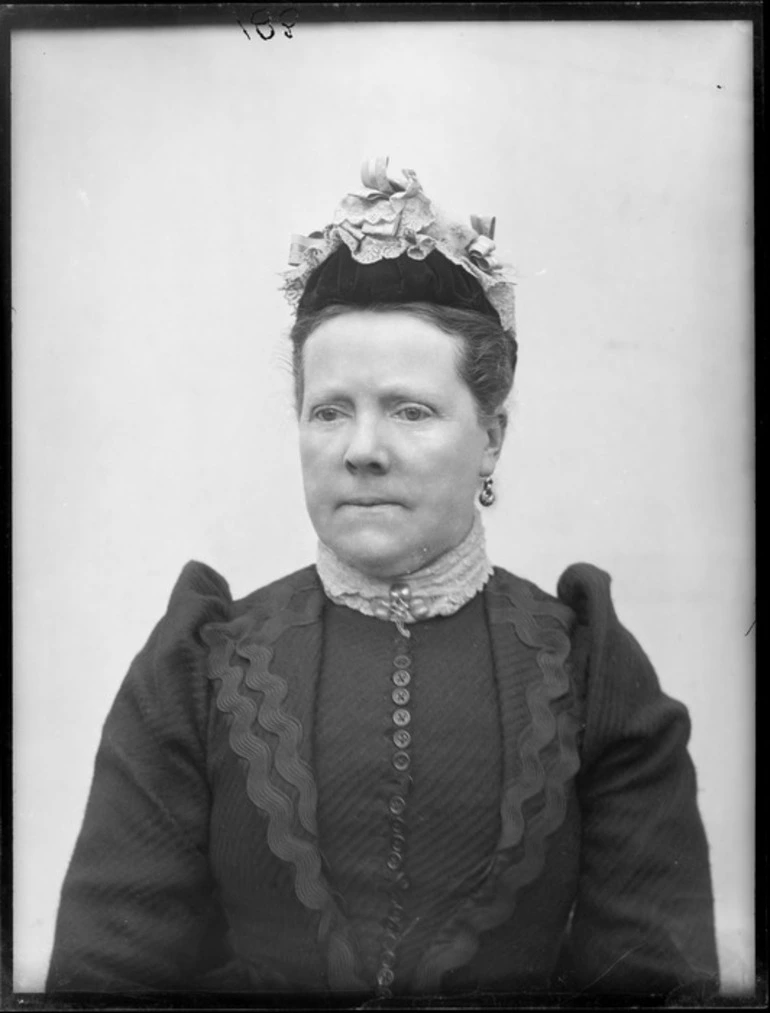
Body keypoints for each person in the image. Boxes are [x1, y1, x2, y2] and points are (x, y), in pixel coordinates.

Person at [46, 157, 719, 1002]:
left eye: (410, 409)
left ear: (493, 437)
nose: (361, 447)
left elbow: (661, 985)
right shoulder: (198, 668)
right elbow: (100, 982)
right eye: (330, 409)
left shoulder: (591, 671)